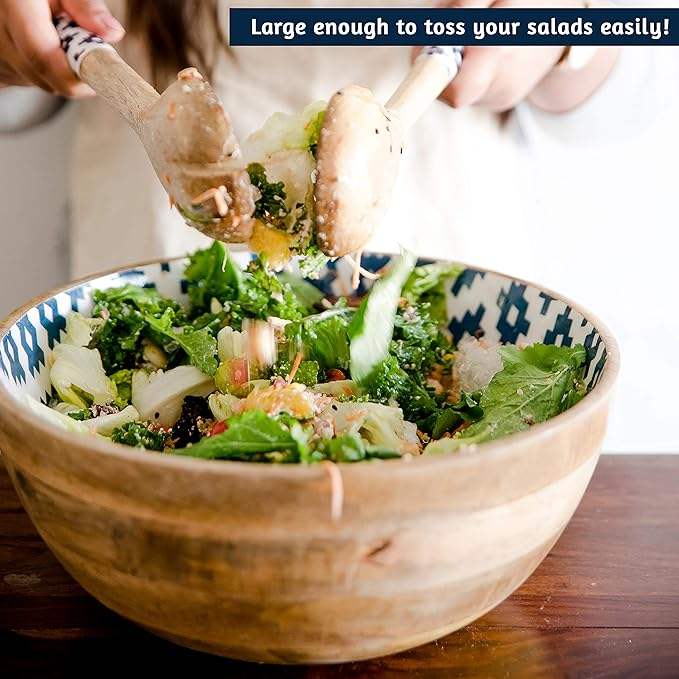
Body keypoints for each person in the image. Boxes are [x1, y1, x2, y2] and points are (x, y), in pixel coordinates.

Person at [1, 0, 677, 453]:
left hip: (454, 284)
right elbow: (22, 107)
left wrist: (564, 37)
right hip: (151, 267)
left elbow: (630, 90)